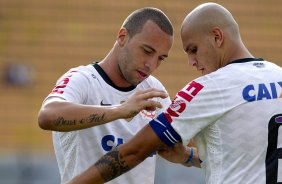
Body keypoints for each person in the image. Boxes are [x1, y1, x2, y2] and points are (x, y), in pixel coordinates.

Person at [67, 2, 282, 184]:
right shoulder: (279, 76)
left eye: (193, 49)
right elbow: (244, 159)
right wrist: (187, 156)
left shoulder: (209, 88)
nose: (192, 62)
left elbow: (134, 151)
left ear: (217, 37)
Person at [38, 7, 174, 184]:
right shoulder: (83, 80)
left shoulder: (153, 89)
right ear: (122, 36)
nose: (151, 64)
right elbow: (47, 116)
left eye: (161, 58)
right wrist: (120, 110)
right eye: (147, 51)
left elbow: (181, 148)